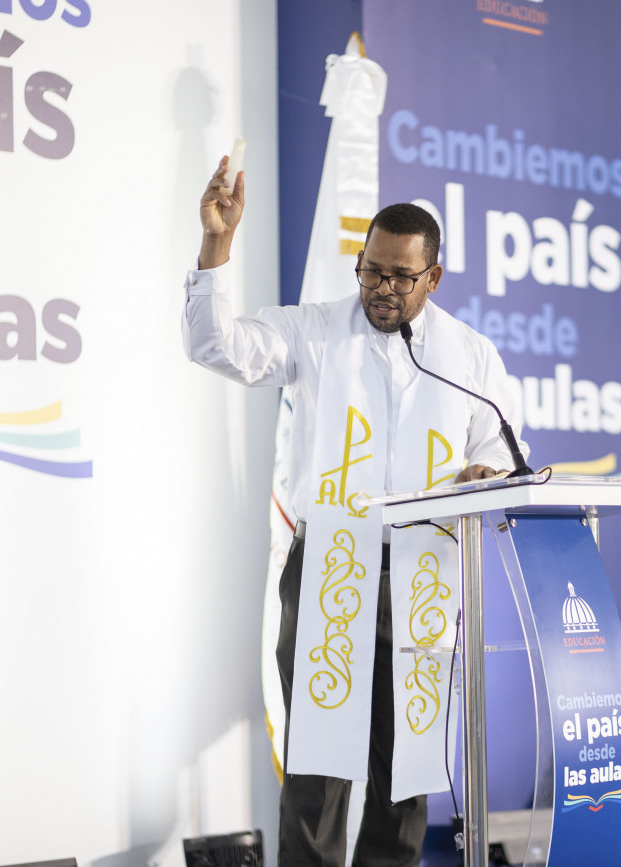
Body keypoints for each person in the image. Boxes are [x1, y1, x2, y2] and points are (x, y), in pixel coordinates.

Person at [183, 155, 527, 866]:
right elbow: (215, 345)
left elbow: (499, 451)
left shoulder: (471, 356)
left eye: (401, 276)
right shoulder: (315, 331)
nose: (382, 288)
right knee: (317, 777)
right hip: (331, 569)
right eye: (371, 271)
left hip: (424, 575)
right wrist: (217, 243)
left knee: (406, 781)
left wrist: (484, 475)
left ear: (433, 277)